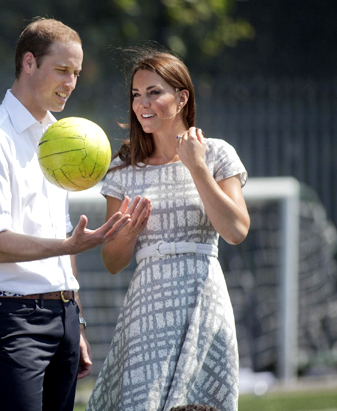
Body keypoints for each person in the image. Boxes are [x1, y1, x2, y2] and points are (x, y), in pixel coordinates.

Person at [0, 18, 132, 411]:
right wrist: (68, 244)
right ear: (29, 63)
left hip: (65, 316)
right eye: (63, 70)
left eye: (77, 73)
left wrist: (78, 321)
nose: (71, 83)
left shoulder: (63, 136)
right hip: (11, 316)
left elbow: (63, 234)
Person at [86, 49, 250, 411]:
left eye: (153, 92)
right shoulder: (122, 167)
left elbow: (236, 230)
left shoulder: (217, 153)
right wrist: (128, 235)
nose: (142, 104)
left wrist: (197, 168)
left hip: (204, 299)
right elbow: (112, 261)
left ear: (182, 97)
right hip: (149, 304)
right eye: (136, 94)